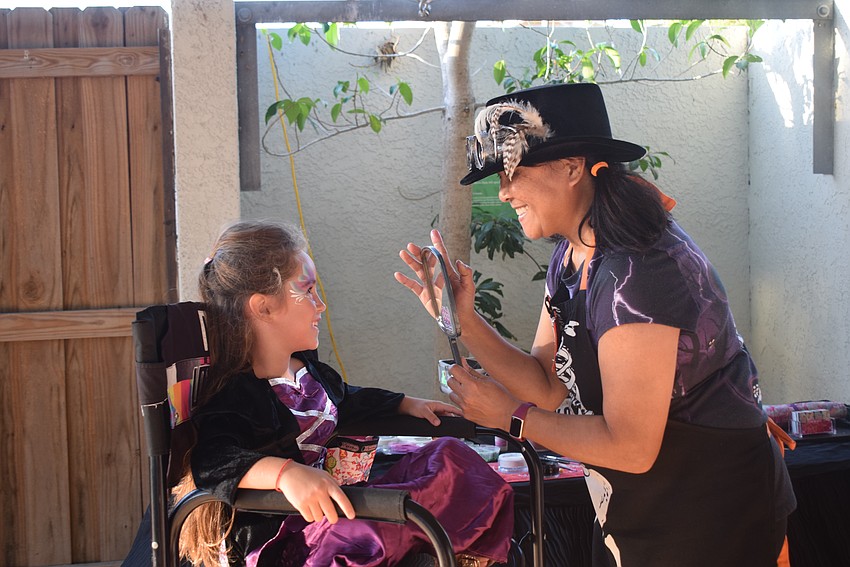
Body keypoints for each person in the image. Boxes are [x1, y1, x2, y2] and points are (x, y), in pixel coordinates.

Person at [396, 83, 796, 567]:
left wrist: (511, 418)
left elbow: (630, 446)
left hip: (713, 513)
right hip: (640, 505)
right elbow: (548, 386)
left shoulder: (641, 271)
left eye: (511, 173)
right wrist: (466, 321)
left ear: (572, 167)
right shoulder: (571, 255)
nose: (502, 193)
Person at [175, 220, 514, 567]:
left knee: (450, 455)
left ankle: (472, 556)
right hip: (291, 542)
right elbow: (213, 461)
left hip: (337, 515)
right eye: (307, 291)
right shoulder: (237, 394)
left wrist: (404, 403)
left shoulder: (307, 369)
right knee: (378, 526)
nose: (320, 305)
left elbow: (347, 400)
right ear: (263, 307)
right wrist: (286, 474)